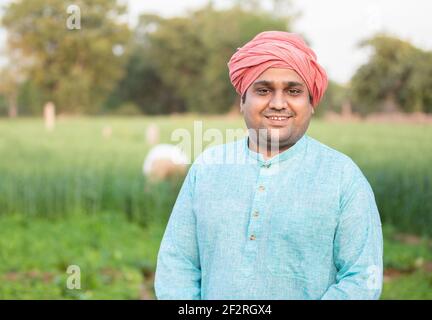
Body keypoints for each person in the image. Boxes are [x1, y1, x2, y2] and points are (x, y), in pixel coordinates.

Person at [155, 31, 383, 300]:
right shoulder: (207, 168)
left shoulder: (343, 178)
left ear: (311, 104)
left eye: (293, 91)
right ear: (242, 101)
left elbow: (361, 279)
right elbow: (176, 264)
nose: (278, 103)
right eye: (263, 90)